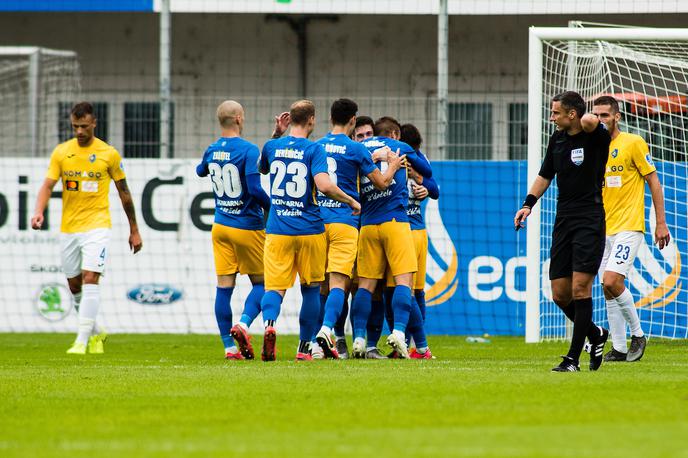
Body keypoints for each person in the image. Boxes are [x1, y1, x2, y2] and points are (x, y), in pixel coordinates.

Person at [31, 101, 142, 354]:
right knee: (74, 285)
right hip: (69, 228)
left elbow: (124, 193)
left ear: (94, 123)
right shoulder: (62, 152)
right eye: (75, 127)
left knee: (91, 278)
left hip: (97, 226)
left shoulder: (108, 154)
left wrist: (134, 229)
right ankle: (96, 333)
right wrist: (38, 211)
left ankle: (81, 341)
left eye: (83, 126)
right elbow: (47, 186)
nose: (79, 131)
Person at [514, 91, 610, 372]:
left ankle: (572, 359)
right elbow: (545, 175)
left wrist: (586, 116)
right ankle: (595, 333)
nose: (551, 117)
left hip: (589, 219)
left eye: (556, 112)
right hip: (563, 219)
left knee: (581, 288)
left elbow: (592, 121)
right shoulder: (556, 140)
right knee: (559, 293)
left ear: (571, 114)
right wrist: (527, 205)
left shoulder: (595, 137)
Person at [259, 99, 361, 361]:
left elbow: (262, 167)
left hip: (278, 229)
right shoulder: (314, 150)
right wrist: (350, 200)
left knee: (275, 289)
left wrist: (276, 134)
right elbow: (325, 186)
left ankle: (270, 326)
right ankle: (304, 348)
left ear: (289, 119)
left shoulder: (272, 146)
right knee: (311, 290)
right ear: (312, 120)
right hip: (310, 229)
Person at [312, 99, 402, 359]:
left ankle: (321, 343)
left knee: (322, 286)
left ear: (330, 119)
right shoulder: (356, 150)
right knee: (345, 284)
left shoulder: (316, 146)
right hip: (347, 221)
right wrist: (394, 166)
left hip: (319, 222)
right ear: (352, 120)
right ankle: (332, 333)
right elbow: (383, 183)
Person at [592, 95, 670, 362]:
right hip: (603, 229)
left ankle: (637, 335)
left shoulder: (633, 142)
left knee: (612, 280)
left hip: (629, 226)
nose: (600, 120)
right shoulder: (594, 147)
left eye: (605, 115)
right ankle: (619, 348)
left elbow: (654, 182)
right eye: (597, 115)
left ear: (617, 117)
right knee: (607, 286)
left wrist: (661, 222)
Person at [196, 100, 271, 360]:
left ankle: (229, 347)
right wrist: (272, 207)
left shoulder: (212, 149)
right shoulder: (249, 150)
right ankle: (243, 322)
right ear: (239, 118)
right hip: (247, 226)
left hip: (220, 227)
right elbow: (254, 189)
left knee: (223, 288)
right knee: (264, 283)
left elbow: (200, 171)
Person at [353, 116, 432, 358]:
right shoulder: (398, 147)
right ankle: (399, 333)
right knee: (403, 284)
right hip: (395, 223)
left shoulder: (357, 150)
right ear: (395, 134)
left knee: (365, 287)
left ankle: (358, 339)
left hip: (367, 225)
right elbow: (427, 170)